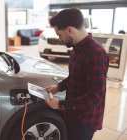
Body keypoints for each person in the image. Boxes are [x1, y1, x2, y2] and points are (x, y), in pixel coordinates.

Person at [45, 8, 109, 140]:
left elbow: (95, 96)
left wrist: (61, 104)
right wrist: (59, 87)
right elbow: (74, 76)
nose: (59, 39)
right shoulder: (76, 48)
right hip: (73, 113)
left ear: (70, 30)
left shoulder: (95, 54)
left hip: (84, 120)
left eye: (59, 34)